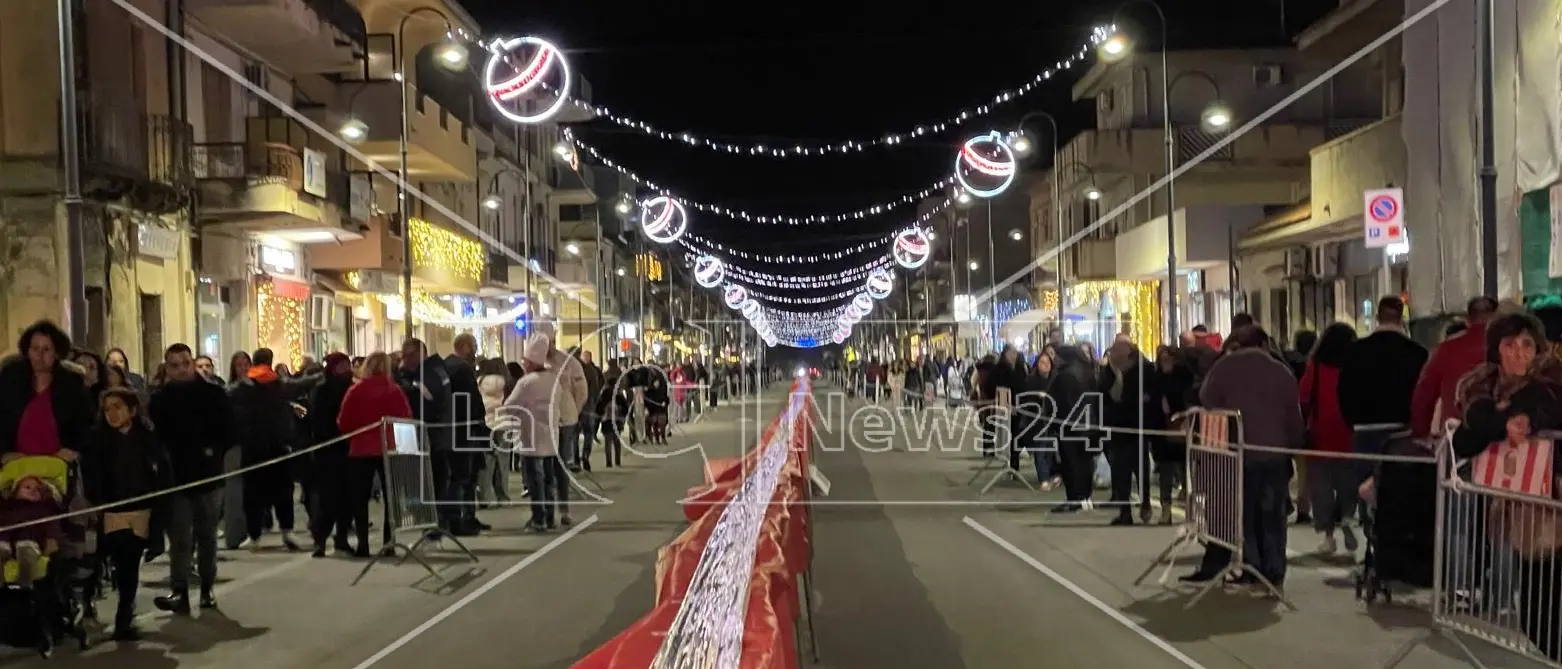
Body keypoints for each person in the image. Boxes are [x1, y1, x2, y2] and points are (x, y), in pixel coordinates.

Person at [1450, 312, 1562, 662]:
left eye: (1527, 345)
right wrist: (1503, 422)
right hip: (1525, 515)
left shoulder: (1549, 385)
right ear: (1496, 349)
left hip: (1552, 507)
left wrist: (1519, 420)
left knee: (1544, 614)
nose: (1519, 353)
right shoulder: (1480, 388)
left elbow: (1542, 411)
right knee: (1537, 615)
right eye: (1510, 345)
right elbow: (1466, 437)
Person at [1184, 325, 1305, 594]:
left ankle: (1252, 568)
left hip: (1239, 452)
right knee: (1272, 517)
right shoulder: (1280, 371)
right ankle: (1273, 573)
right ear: (1264, 344)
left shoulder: (1224, 367)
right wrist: (1295, 444)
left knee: (1245, 515)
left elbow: (1207, 399)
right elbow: (1292, 415)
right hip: (1274, 454)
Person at [148, 343, 232, 614]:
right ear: (167, 368)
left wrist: (213, 451)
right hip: (176, 478)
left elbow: (229, 430)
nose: (181, 369)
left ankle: (207, 588)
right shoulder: (160, 400)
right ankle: (179, 591)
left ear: (192, 362)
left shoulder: (213, 394)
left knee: (207, 536)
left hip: (208, 476)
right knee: (180, 538)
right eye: (174, 365)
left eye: (185, 363)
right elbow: (156, 437)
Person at [82, 387, 171, 641]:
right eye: (107, 409)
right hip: (111, 512)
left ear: (131, 410)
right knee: (102, 564)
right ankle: (89, 610)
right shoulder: (98, 441)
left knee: (129, 566)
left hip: (140, 512)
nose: (112, 414)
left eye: (117, 407)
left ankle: (124, 618)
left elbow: (163, 474)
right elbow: (91, 476)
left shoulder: (148, 438)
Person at [229, 348, 309, 550]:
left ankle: (255, 535)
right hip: (275, 445)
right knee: (281, 492)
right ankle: (285, 531)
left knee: (254, 493)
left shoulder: (241, 387)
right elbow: (298, 387)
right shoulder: (276, 383)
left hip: (254, 447)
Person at [337, 352, 411, 557]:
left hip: (360, 449)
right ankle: (389, 542)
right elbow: (405, 417)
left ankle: (363, 545)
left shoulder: (355, 390)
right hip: (388, 448)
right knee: (390, 498)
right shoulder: (394, 390)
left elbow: (343, 421)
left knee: (360, 499)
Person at [1338, 296, 1429, 455]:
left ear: (1377, 318)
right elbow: (1423, 394)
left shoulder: (1355, 351)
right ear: (1401, 319)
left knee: (1366, 471)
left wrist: (1352, 421)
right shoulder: (1417, 353)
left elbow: (1343, 390)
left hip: (1364, 430)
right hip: (1403, 431)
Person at [1299, 323, 1359, 554]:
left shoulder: (1315, 367)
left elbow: (1303, 396)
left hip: (1319, 434)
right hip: (1348, 433)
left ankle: (1328, 536)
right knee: (1348, 483)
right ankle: (1347, 516)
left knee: (1321, 488)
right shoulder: (1354, 367)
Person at [0, 321, 91, 462]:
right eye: (35, 348)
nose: (39, 355)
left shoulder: (72, 384)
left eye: (46, 349)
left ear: (57, 353)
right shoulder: (11, 379)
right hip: (16, 465)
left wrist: (73, 451)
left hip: (58, 465)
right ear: (27, 351)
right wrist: (3, 453)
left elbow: (85, 427)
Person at [1411, 296, 1497, 438]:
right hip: (1500, 436)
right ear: (1496, 317)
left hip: (1455, 437)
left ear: (1468, 320)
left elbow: (1424, 394)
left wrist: (1420, 431)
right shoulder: (1506, 348)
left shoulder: (1446, 349)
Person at [506, 334, 568, 532]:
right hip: (551, 436)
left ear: (531, 362)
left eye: (525, 361)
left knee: (535, 479)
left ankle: (538, 518)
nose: (524, 364)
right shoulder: (554, 380)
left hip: (530, 437)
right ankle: (549, 517)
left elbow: (509, 406)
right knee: (549, 479)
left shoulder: (527, 382)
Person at [396, 339, 457, 534]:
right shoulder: (435, 370)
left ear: (420, 354)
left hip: (431, 437)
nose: (406, 360)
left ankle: (433, 521)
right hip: (434, 436)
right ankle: (433, 520)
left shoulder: (427, 374)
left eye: (409, 355)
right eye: (404, 356)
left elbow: (425, 401)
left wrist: (404, 384)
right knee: (433, 481)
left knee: (432, 481)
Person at [1101, 340, 1159, 525]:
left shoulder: (1144, 370)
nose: (1112, 354)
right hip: (1120, 427)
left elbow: (1141, 397)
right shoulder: (1111, 371)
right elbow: (1107, 396)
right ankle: (1125, 511)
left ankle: (1144, 505)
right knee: (1122, 471)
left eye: (1115, 350)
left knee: (1139, 469)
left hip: (1136, 426)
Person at [306, 353, 355, 556]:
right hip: (326, 450)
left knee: (346, 497)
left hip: (348, 449)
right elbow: (317, 420)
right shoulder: (322, 390)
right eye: (341, 366)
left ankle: (341, 538)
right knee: (326, 498)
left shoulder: (351, 387)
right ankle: (320, 539)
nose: (345, 370)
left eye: (346, 366)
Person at [443, 334, 488, 535]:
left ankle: (466, 517)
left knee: (464, 476)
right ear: (463, 347)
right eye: (473, 346)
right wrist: (478, 420)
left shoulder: (448, 366)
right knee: (463, 477)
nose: (476, 350)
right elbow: (470, 400)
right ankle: (461, 519)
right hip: (464, 429)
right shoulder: (460, 368)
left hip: (457, 429)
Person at [530, 323, 587, 474]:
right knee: (546, 464)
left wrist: (573, 411)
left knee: (560, 462)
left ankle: (561, 487)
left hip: (564, 419)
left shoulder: (569, 362)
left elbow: (581, 391)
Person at [1048, 344, 1099, 513]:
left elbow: (1060, 403)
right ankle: (1085, 497)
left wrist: (1054, 422)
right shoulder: (1087, 372)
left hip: (1069, 426)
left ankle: (1075, 498)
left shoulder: (1065, 376)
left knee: (1071, 463)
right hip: (1088, 424)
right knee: (1085, 462)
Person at [1152, 345, 1194, 524]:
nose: (1165, 363)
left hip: (1183, 428)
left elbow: (1190, 399)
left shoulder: (1185, 378)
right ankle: (1166, 509)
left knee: (1187, 471)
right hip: (1163, 430)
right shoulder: (1157, 379)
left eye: (1168, 360)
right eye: (1162, 360)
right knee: (1166, 472)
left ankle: (1190, 509)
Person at [476, 358, 511, 505]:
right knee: (503, 462)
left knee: (487, 462)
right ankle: (503, 495)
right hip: (504, 424)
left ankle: (484, 496)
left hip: (487, 423)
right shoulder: (506, 382)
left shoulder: (479, 381)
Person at [596, 359, 629, 468]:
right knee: (616, 440)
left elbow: (599, 406)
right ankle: (618, 460)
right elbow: (625, 407)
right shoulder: (618, 394)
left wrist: (599, 415)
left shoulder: (604, 393)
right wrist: (623, 416)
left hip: (606, 420)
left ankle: (609, 462)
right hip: (617, 419)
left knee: (608, 441)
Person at [576, 350, 604, 471]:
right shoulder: (592, 370)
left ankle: (577, 459)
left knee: (576, 434)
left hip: (579, 407)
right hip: (587, 406)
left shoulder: (574, 370)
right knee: (588, 433)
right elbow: (597, 388)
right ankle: (584, 456)